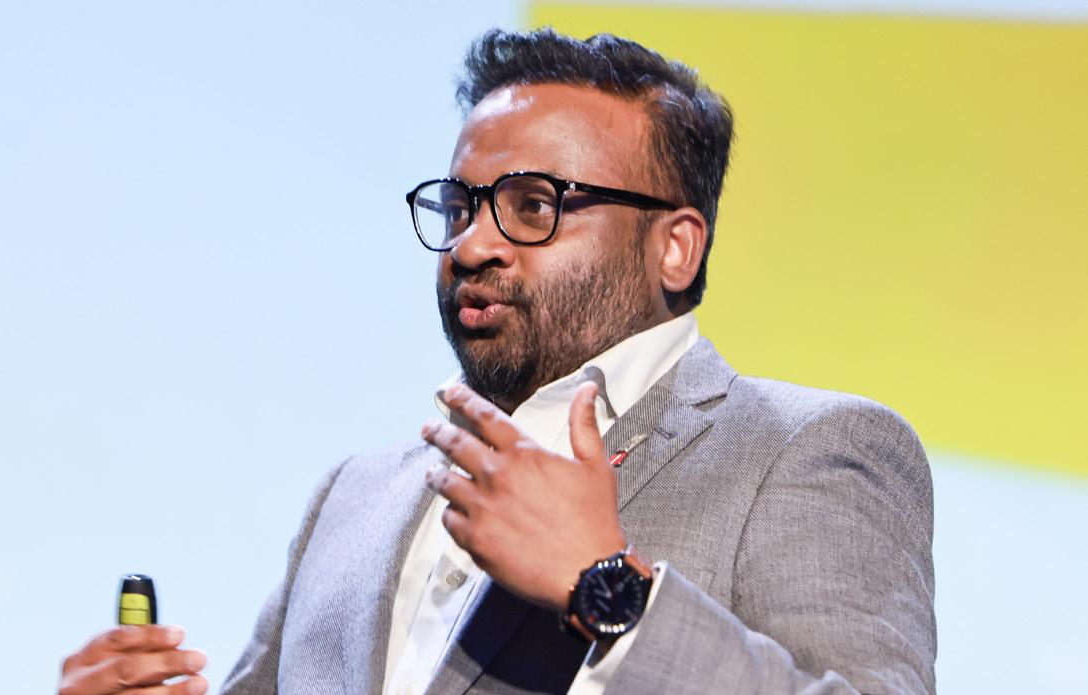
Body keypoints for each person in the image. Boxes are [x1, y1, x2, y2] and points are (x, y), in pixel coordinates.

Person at [58, 28, 935, 695]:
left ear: (675, 247)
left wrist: (608, 589)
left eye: (534, 205)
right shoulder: (356, 495)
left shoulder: (803, 450)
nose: (472, 245)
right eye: (460, 206)